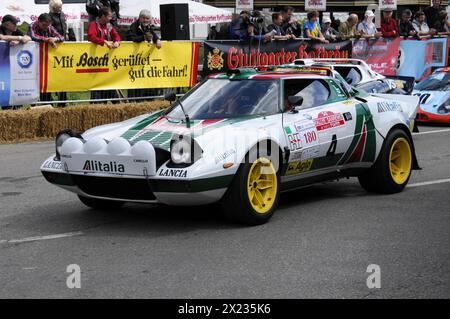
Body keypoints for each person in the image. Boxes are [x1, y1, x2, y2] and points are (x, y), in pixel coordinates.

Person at [87, 7, 121, 103]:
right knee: (97, 86)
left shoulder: (109, 26)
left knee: (109, 83)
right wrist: (104, 41)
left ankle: (114, 103)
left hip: (107, 62)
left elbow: (116, 36)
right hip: (95, 61)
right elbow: (91, 36)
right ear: (102, 16)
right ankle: (96, 104)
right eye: (109, 16)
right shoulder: (93, 24)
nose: (110, 18)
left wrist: (117, 42)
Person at [127, 9, 162, 101]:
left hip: (145, 61)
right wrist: (143, 37)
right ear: (140, 18)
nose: (145, 20)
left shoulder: (149, 27)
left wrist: (157, 40)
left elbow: (154, 36)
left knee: (143, 81)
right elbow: (131, 38)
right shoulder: (133, 26)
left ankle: (143, 100)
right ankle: (132, 102)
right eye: (144, 18)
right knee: (133, 81)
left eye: (147, 18)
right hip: (134, 60)